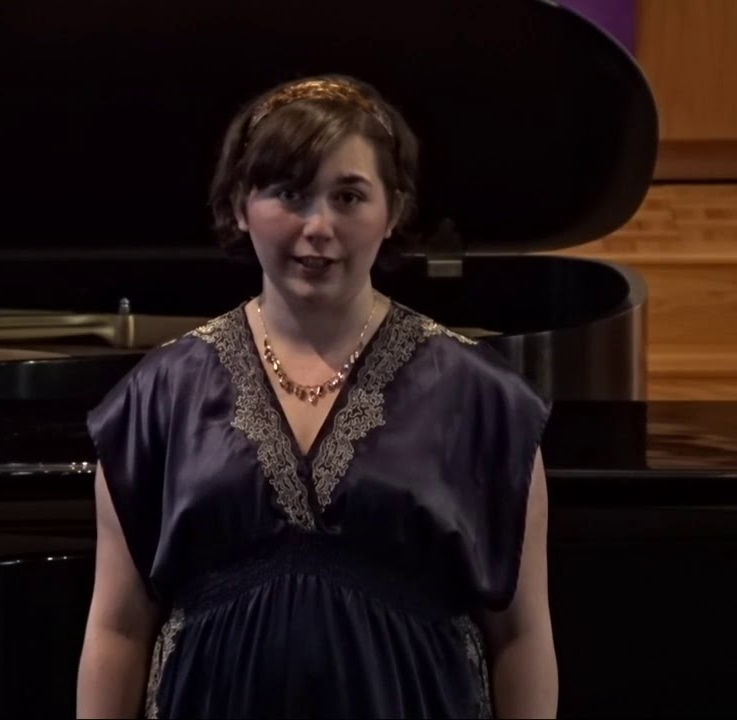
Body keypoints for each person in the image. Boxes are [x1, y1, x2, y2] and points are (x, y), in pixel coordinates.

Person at [77, 74, 557, 719]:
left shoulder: (484, 399)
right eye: (289, 193)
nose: (318, 226)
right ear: (240, 206)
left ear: (393, 212)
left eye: (349, 196)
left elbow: (521, 636)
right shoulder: (158, 395)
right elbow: (118, 628)